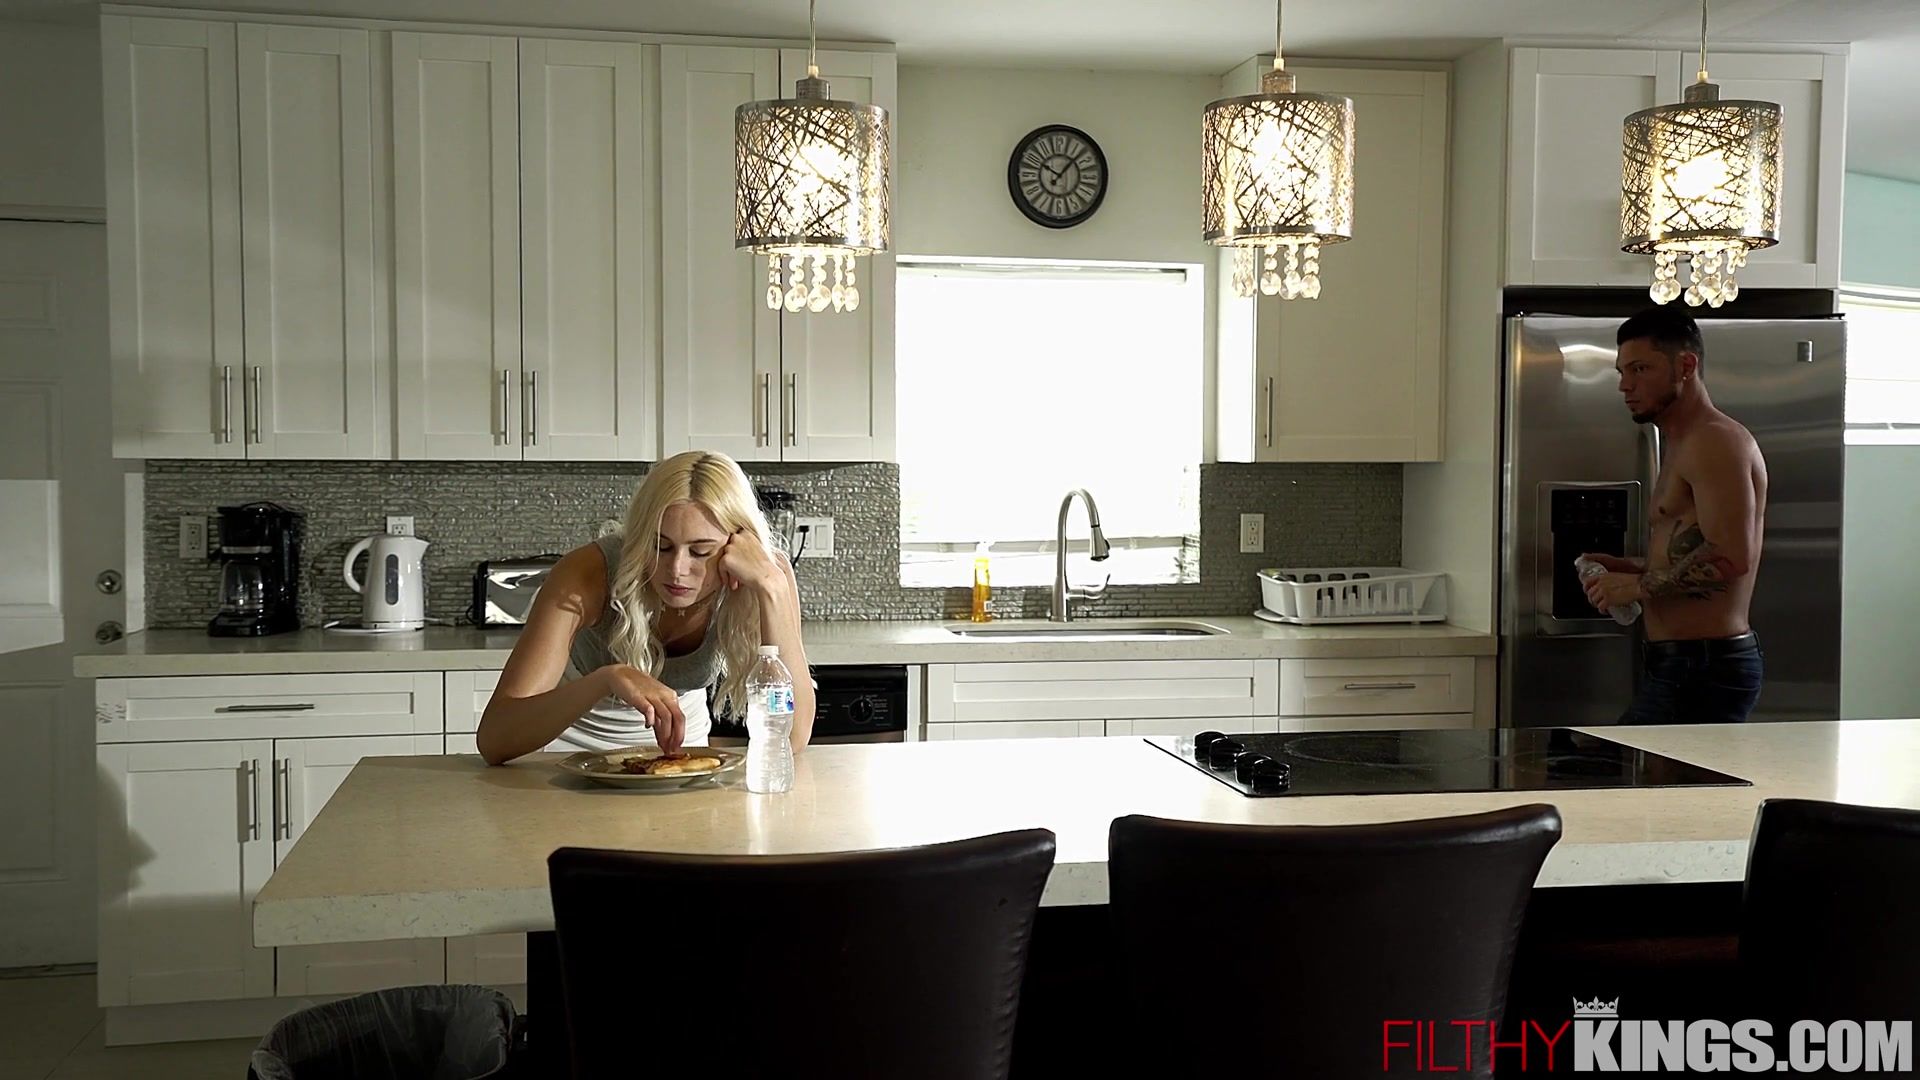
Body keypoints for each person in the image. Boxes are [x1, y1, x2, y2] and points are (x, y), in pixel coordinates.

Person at [477, 450, 813, 764]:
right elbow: (494, 738)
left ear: (736, 545)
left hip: (684, 747)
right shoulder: (587, 574)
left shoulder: (767, 576)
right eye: (660, 546)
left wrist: (771, 587)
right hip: (570, 749)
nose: (677, 569)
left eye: (700, 552)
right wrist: (607, 678)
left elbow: (794, 737)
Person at [1581, 307, 1768, 724]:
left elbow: (1731, 557)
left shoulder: (1714, 441)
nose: (1625, 385)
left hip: (1704, 667)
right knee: (1634, 764)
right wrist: (1634, 568)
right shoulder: (1684, 443)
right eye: (1621, 372)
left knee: (1630, 766)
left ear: (1685, 366)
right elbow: (1698, 545)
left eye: (1640, 369)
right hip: (1687, 664)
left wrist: (1636, 587)